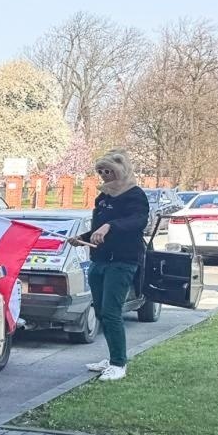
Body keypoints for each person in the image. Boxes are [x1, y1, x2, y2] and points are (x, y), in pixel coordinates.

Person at [83, 151, 149, 382]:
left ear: (121, 170)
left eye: (108, 171)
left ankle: (119, 364)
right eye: (100, 172)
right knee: (101, 311)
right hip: (100, 260)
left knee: (111, 312)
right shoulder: (103, 198)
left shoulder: (135, 195)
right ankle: (111, 358)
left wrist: (110, 226)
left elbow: (138, 221)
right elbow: (97, 228)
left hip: (122, 262)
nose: (104, 176)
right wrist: (83, 236)